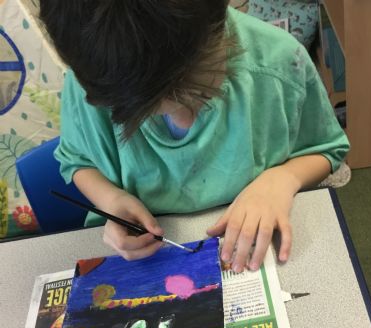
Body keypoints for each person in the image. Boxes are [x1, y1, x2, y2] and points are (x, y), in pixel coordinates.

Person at [39, 1, 349, 273]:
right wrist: (111, 199)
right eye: (146, 111)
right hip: (141, 260)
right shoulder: (95, 82)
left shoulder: (280, 64)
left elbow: (327, 149)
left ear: (218, 31)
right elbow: (77, 161)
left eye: (198, 94)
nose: (180, 118)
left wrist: (282, 179)